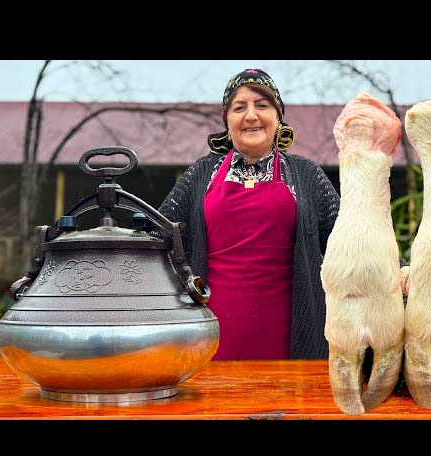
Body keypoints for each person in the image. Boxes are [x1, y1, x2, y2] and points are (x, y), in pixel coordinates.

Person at [159, 68, 409, 360]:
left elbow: (351, 240)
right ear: (227, 120)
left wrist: (401, 269)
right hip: (209, 337)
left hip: (294, 334)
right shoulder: (200, 175)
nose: (251, 115)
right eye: (239, 107)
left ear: (279, 117)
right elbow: (159, 240)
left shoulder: (306, 175)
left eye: (262, 106)